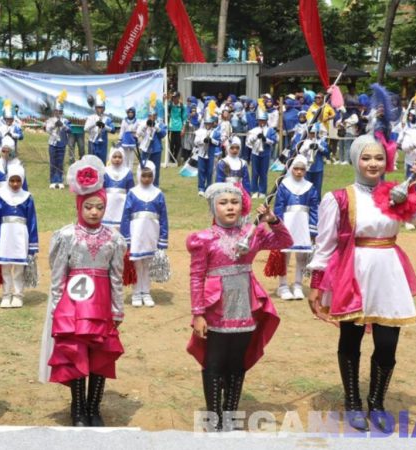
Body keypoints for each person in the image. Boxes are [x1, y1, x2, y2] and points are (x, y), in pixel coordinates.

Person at [307, 135, 416, 433]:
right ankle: (353, 401)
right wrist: (317, 282)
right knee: (351, 338)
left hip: (388, 273)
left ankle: (377, 401)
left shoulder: (397, 194)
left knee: (387, 343)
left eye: (379, 158)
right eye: (366, 158)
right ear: (355, 160)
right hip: (351, 273)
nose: (373, 164)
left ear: (388, 162)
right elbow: (325, 243)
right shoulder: (339, 198)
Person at [186, 182, 292, 432]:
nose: (229, 207)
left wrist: (272, 219)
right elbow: (195, 277)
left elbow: (285, 240)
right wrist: (198, 313)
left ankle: (230, 416)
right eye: (223, 203)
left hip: (245, 305)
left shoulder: (252, 233)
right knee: (214, 362)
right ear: (213, 207)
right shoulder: (203, 239)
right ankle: (214, 417)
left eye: (234, 202)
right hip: (216, 308)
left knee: (236, 362)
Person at [39, 155, 126, 427]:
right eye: (88, 206)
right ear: (79, 205)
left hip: (100, 305)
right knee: (76, 352)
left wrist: (117, 308)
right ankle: (77, 408)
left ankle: (93, 407)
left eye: (99, 207)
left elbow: (116, 277)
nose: (94, 212)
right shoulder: (66, 235)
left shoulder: (114, 238)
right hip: (73, 306)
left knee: (100, 354)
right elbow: (58, 275)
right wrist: (55, 308)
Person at [0, 165, 38, 308]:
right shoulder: (1, 197)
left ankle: (18, 295)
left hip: (21, 236)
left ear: (22, 181)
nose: (15, 184)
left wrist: (33, 245)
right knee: (5, 267)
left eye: (18, 181)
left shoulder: (27, 197)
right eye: (12, 180)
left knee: (19, 268)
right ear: (8, 180)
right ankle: (6, 294)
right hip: (5, 235)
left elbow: (32, 222)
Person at [120, 161, 169, 307]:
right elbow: (125, 216)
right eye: (144, 176)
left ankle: (146, 291)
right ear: (139, 175)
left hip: (151, 233)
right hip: (136, 233)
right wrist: (126, 237)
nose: (146, 179)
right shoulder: (132, 193)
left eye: (149, 176)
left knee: (148, 263)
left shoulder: (158, 194)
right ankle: (136, 292)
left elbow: (164, 218)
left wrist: (163, 239)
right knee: (136, 263)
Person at [273, 155, 319, 301]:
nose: (299, 172)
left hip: (303, 224)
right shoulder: (284, 186)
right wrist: (278, 226)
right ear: (291, 169)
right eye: (296, 169)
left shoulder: (310, 187)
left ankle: (298, 285)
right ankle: (283, 285)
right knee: (285, 255)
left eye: (302, 169)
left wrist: (313, 229)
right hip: (288, 223)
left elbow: (314, 208)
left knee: (302, 256)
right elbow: (278, 207)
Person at [0, 136, 27, 214]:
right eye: (3, 151)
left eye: (8, 151)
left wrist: (25, 201)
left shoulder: (18, 165)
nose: (6, 154)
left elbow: (23, 184)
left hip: (15, 195)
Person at [245, 106, 277, 198]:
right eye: (260, 120)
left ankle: (262, 191)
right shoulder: (253, 130)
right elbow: (248, 142)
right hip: (255, 153)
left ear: (266, 121)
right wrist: (256, 137)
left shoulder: (270, 130)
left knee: (263, 173)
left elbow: (273, 141)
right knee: (255, 173)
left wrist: (265, 139)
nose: (262, 122)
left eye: (263, 121)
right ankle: (254, 191)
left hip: (265, 154)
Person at [292, 124, 329, 198]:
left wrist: (319, 147)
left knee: (317, 189)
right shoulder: (303, 141)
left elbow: (327, 153)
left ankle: (317, 205)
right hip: (306, 168)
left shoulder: (321, 142)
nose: (311, 135)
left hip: (318, 168)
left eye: (313, 133)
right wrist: (307, 148)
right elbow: (296, 151)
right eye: (310, 133)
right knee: (305, 188)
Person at [102, 147, 134, 230]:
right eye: (114, 157)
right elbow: (102, 188)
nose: (117, 159)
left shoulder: (127, 172)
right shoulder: (105, 171)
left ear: (123, 158)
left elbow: (131, 190)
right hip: (108, 201)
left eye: (120, 157)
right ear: (110, 158)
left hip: (122, 202)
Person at [193, 104, 221, 196]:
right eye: (206, 123)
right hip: (201, 154)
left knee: (210, 171)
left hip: (211, 154)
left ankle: (209, 187)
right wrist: (203, 140)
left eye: (209, 123)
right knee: (201, 171)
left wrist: (211, 140)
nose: (208, 125)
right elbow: (196, 142)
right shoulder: (200, 131)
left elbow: (218, 143)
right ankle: (201, 188)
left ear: (212, 123)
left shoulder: (216, 132)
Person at [136, 105, 168, 186]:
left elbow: (163, 134)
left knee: (155, 169)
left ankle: (155, 185)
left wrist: (156, 128)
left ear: (156, 115)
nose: (152, 117)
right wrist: (145, 126)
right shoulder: (144, 122)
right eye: (151, 115)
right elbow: (139, 134)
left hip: (156, 149)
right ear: (148, 116)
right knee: (144, 167)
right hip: (145, 148)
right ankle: (142, 184)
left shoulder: (160, 123)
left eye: (154, 115)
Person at [45, 93, 71, 189]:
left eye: (60, 111)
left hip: (62, 144)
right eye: (56, 111)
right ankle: (52, 180)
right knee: (53, 162)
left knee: (60, 162)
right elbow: (47, 130)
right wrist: (55, 125)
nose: (58, 113)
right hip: (52, 143)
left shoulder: (65, 120)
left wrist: (63, 125)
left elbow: (69, 130)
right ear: (54, 111)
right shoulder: (50, 120)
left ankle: (59, 180)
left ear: (62, 111)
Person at [84, 90, 114, 163]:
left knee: (102, 162)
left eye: (101, 107)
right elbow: (85, 129)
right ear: (95, 108)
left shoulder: (107, 118)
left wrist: (104, 126)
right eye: (98, 107)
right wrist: (94, 123)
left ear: (104, 108)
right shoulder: (91, 117)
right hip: (92, 143)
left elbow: (113, 130)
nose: (99, 109)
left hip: (102, 144)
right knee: (91, 162)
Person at [168, 92, 187, 164]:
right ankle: (170, 159)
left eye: (175, 97)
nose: (174, 99)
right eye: (173, 97)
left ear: (178, 97)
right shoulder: (170, 105)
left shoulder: (182, 106)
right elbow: (165, 108)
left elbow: (184, 118)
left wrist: (183, 128)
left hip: (179, 128)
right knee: (171, 144)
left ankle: (174, 158)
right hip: (171, 127)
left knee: (178, 144)